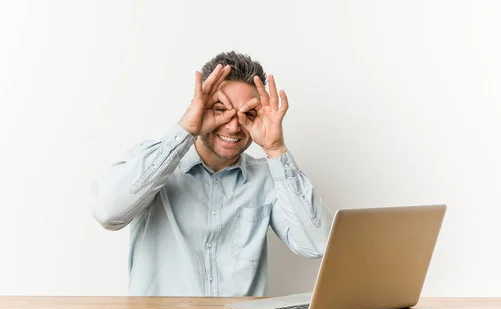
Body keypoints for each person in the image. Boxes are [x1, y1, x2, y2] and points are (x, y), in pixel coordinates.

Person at [89, 51, 333, 296]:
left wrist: (275, 149)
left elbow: (317, 244)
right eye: (220, 109)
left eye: (248, 114)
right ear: (200, 106)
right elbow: (107, 213)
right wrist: (185, 129)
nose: (234, 125)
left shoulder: (267, 179)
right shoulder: (152, 164)